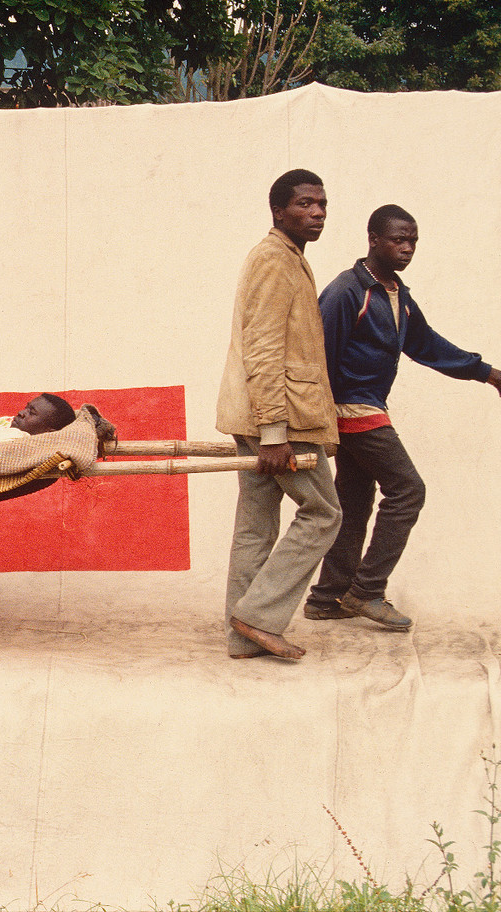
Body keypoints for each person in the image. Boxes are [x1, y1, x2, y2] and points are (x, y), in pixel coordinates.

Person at [302, 205, 501, 630]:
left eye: (413, 241)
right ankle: (366, 592)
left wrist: (483, 370)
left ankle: (328, 598)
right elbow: (317, 357)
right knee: (408, 490)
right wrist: (319, 421)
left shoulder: (397, 293)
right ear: (373, 240)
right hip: (351, 410)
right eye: (398, 240)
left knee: (354, 501)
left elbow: (426, 344)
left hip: (367, 408)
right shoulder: (348, 291)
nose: (407, 248)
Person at [216, 170, 342, 660]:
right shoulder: (274, 260)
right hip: (280, 420)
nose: (317, 213)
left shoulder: (287, 258)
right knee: (324, 515)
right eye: (306, 204)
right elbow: (264, 348)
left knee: (256, 524)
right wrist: (274, 431)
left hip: (260, 416)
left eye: (323, 205)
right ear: (278, 212)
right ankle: (258, 616)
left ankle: (240, 637)